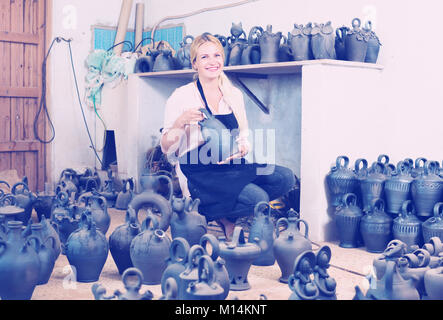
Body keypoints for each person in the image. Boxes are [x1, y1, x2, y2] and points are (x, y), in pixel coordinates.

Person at [160, 33, 295, 240]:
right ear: (194, 63)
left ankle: (224, 213)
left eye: (217, 55)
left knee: (285, 178)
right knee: (258, 198)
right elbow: (166, 148)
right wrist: (181, 122)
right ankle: (221, 216)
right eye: (204, 57)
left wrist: (243, 147)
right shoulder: (182, 96)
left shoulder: (233, 94)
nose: (212, 62)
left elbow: (243, 136)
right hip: (198, 169)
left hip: (230, 164)